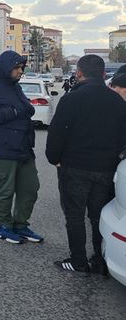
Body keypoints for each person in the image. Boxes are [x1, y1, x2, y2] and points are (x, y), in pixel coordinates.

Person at [46, 55, 126, 274]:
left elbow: (57, 133)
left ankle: (78, 260)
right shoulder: (117, 101)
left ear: (79, 73)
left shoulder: (72, 99)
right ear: (103, 74)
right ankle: (100, 258)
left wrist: (54, 159)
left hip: (74, 167)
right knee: (99, 214)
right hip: (105, 169)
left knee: (74, 215)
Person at [0, 50, 42, 245]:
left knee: (30, 188)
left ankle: (21, 225)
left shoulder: (14, 86)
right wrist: (12, 111)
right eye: (17, 67)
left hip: (22, 146)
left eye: (22, 67)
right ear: (7, 68)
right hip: (1, 148)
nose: (21, 71)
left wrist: (22, 109)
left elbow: (26, 108)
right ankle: (3, 226)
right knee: (4, 189)